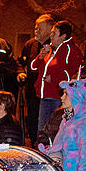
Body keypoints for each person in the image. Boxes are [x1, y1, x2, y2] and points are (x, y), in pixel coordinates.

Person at [30, 20, 83, 132]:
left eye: (54, 33)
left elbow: (72, 74)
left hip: (58, 97)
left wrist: (54, 79)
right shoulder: (51, 50)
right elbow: (33, 68)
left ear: (63, 36)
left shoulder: (71, 50)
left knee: (56, 129)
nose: (51, 36)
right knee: (42, 129)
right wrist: (40, 57)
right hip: (45, 96)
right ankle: (42, 148)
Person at [18, 14, 54, 143]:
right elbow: (20, 62)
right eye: (35, 27)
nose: (36, 31)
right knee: (32, 120)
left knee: (46, 122)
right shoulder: (30, 45)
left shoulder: (55, 46)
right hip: (32, 92)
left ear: (50, 30)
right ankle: (34, 143)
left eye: (40, 28)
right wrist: (21, 72)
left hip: (48, 94)